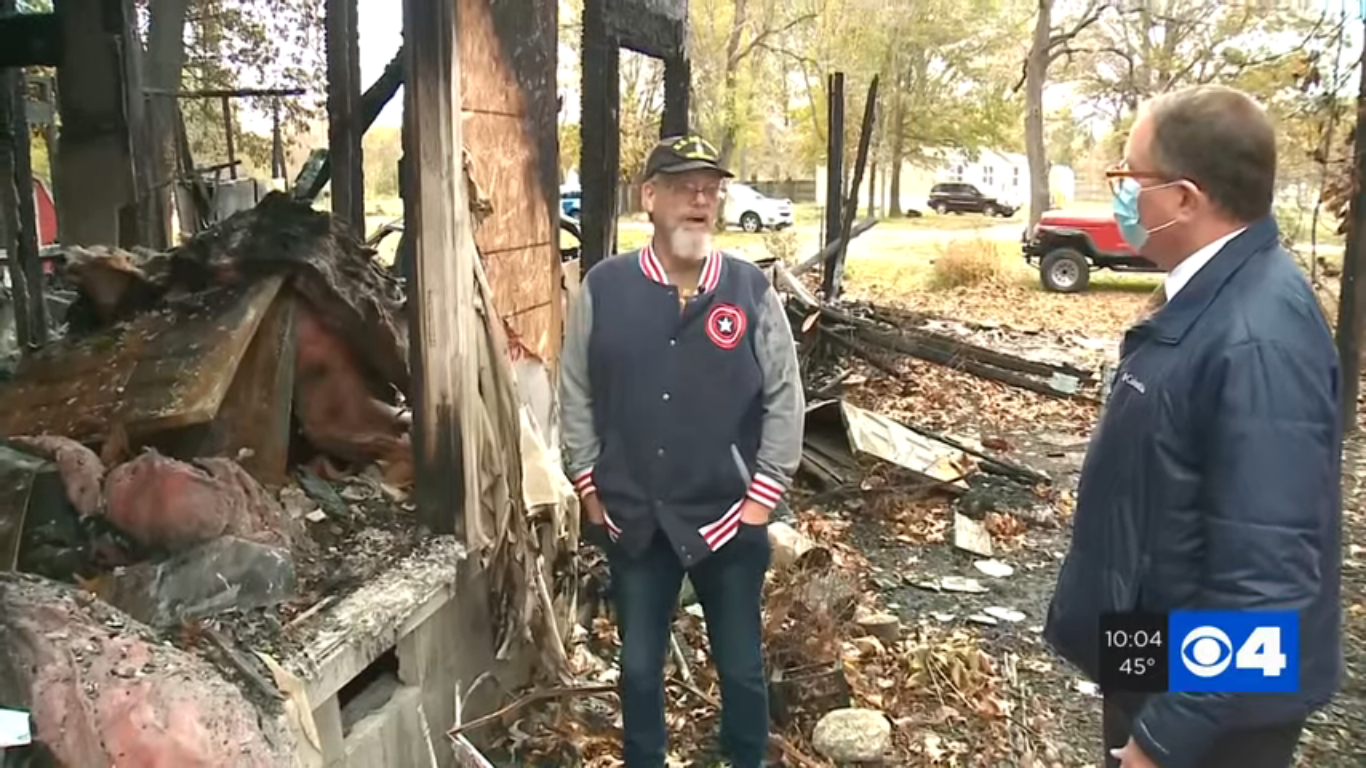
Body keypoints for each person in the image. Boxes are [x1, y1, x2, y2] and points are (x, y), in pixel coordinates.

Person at [1044, 84, 1342, 768]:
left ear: (1184, 197)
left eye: (1129, 177)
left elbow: (1267, 585)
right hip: (1159, 655)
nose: (1122, 195)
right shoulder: (1208, 297)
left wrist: (1161, 741)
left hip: (1212, 714)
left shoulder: (1258, 338)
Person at [559, 133, 804, 767]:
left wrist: (760, 502)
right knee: (638, 671)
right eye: (683, 187)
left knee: (743, 672)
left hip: (728, 519)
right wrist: (589, 486)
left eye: (710, 189)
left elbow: (785, 398)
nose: (700, 200)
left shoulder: (749, 292)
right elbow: (576, 392)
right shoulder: (605, 288)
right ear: (650, 198)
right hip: (635, 519)